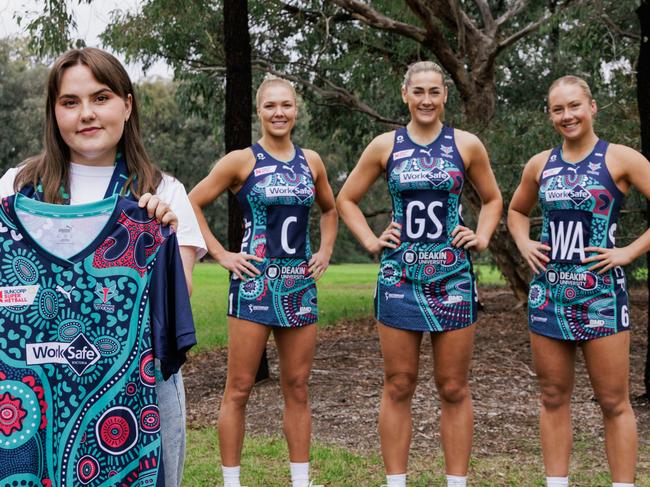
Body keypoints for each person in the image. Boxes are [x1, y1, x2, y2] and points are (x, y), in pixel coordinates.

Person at [0, 47, 206, 487]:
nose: (86, 114)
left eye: (101, 97)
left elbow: (172, 311)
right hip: (37, 380)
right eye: (70, 102)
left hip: (138, 386)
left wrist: (162, 234)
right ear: (54, 113)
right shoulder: (18, 186)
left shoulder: (164, 192)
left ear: (127, 105)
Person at [336, 61, 502, 487]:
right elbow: (346, 199)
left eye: (434, 92)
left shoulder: (466, 145)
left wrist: (481, 237)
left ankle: (456, 482)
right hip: (399, 279)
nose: (426, 100)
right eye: (419, 92)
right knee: (399, 384)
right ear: (405, 95)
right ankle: (396, 481)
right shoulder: (384, 146)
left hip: (453, 279)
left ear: (445, 96)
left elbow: (493, 198)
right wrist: (372, 241)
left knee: (453, 387)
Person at [188, 76, 338, 487]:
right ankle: (232, 481)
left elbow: (330, 210)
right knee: (238, 388)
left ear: (296, 110)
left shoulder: (312, 161)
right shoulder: (241, 161)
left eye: (286, 105)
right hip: (254, 286)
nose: (279, 113)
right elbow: (192, 204)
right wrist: (220, 254)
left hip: (298, 287)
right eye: (270, 105)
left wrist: (324, 252)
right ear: (259, 111)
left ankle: (300, 481)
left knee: (298, 387)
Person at [508, 75, 650, 487]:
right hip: (549, 295)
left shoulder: (621, 159)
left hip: (601, 295)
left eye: (574, 106)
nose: (567, 115)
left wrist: (628, 252)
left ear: (592, 108)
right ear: (549, 114)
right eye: (558, 109)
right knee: (553, 398)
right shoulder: (540, 164)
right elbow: (516, 211)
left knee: (613, 402)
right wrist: (524, 242)